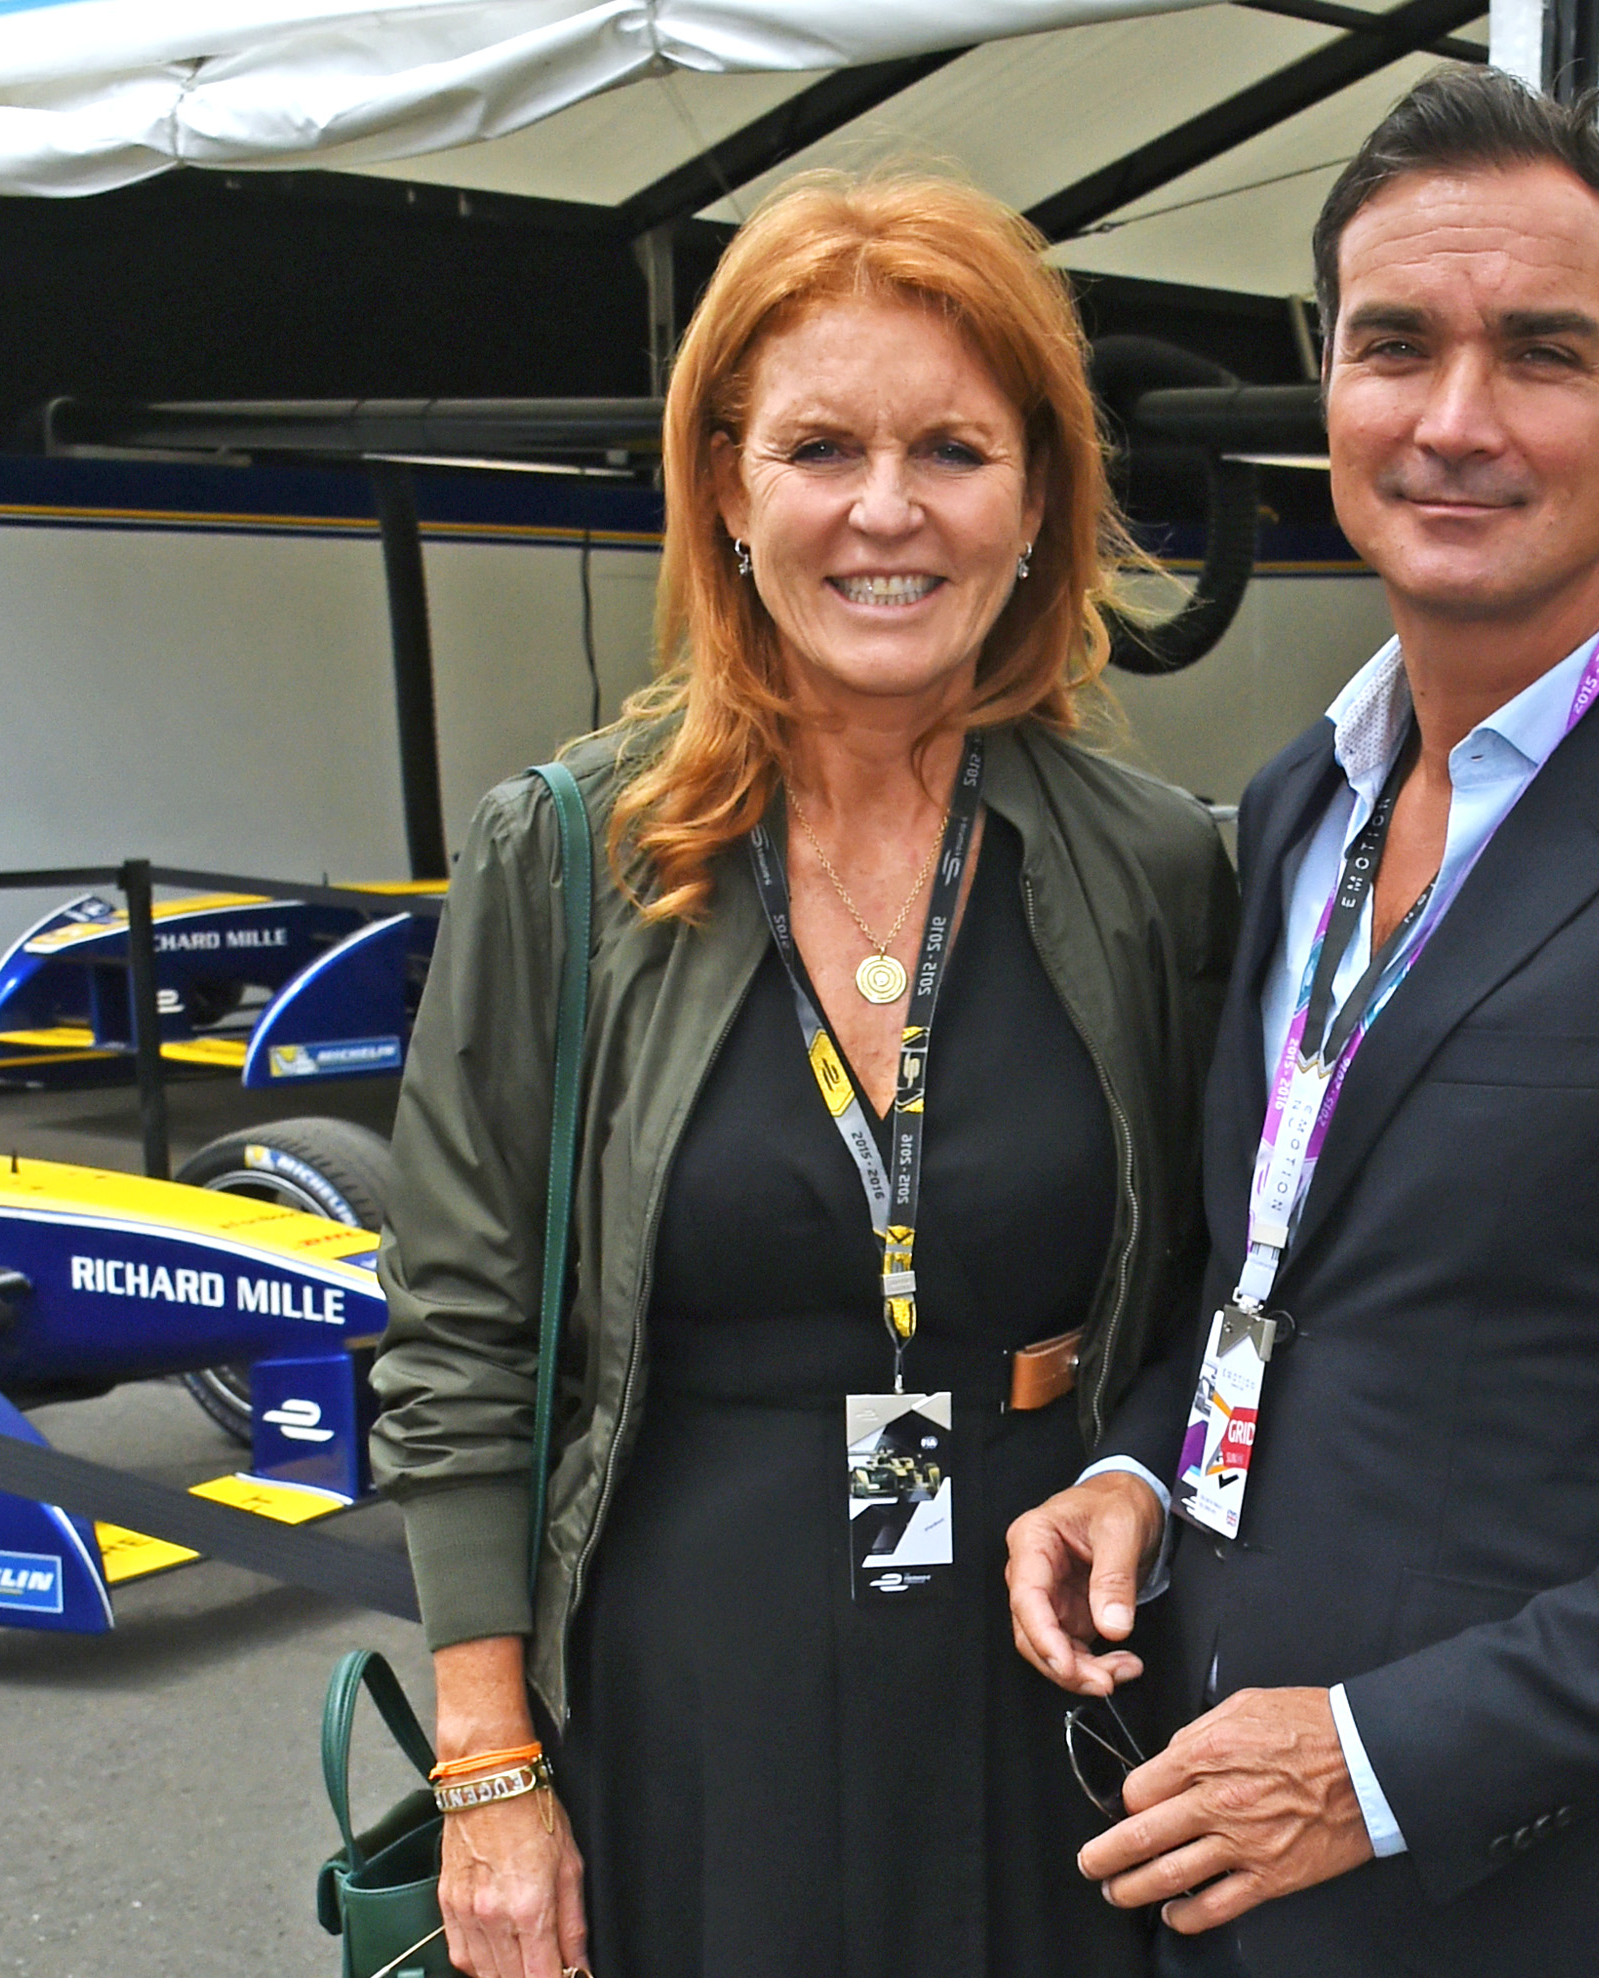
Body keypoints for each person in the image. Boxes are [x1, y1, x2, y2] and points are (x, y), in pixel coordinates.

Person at [1006, 69, 1599, 1978]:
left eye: (1540, 352)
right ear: (1329, 385)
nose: (1456, 420)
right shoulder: (1300, 798)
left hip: (1539, 1889)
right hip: (1207, 1819)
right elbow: (1265, 1255)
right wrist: (1132, 1461)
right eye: (1397, 347)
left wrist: (1374, 1762)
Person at [367, 172, 1238, 1978]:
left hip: (1044, 1689)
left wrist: (1140, 1480)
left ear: (1040, 494)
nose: (887, 511)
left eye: (954, 448)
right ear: (724, 490)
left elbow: (1224, 1293)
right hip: (687, 1691)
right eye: (821, 446)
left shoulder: (1157, 869)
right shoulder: (564, 858)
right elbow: (460, 1335)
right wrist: (489, 1770)